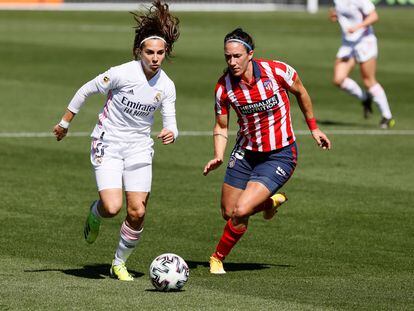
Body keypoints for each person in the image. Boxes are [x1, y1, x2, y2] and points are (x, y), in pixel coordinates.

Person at [52, 0, 179, 281]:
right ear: (139, 52)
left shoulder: (166, 86)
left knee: (138, 211)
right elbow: (86, 90)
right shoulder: (122, 73)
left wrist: (172, 132)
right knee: (112, 207)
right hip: (108, 142)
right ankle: (95, 213)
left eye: (160, 53)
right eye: (149, 53)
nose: (155, 58)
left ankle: (118, 263)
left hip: (139, 148)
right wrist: (64, 123)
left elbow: (171, 122)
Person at [203, 28, 331, 274]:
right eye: (228, 57)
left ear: (250, 54)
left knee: (241, 211)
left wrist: (314, 128)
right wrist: (218, 154)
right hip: (246, 152)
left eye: (237, 56)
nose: (232, 62)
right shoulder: (223, 87)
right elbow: (221, 125)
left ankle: (217, 257)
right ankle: (270, 202)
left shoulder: (278, 71)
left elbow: (301, 92)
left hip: (279, 154)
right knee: (228, 212)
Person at [329, 0, 394, 129]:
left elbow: (374, 16)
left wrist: (357, 27)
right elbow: (345, 13)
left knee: (368, 81)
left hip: (364, 42)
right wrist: (336, 16)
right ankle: (365, 98)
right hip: (348, 43)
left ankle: (387, 116)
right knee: (338, 79)